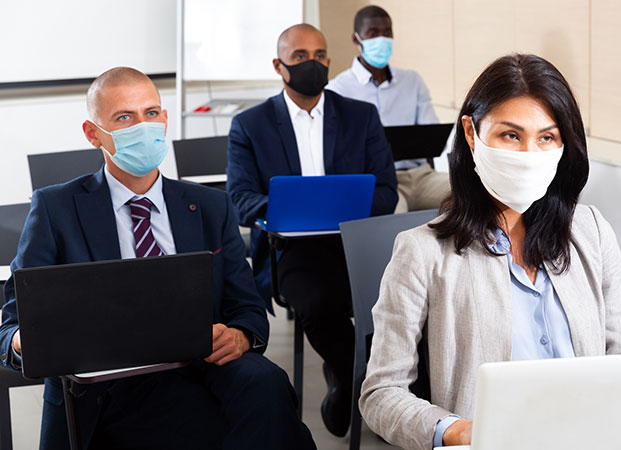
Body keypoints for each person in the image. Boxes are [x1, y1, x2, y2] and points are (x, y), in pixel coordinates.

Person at [0, 67, 315, 450]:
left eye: (151, 113)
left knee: (268, 384)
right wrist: (25, 340)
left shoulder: (212, 206)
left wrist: (241, 335)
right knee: (252, 427)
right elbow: (13, 323)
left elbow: (246, 305)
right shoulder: (55, 208)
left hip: (204, 363)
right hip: (109, 384)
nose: (143, 126)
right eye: (124, 117)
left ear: (165, 120)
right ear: (93, 133)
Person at [359, 54, 621, 450]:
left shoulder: (592, 231)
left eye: (547, 137)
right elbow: (381, 394)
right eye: (511, 135)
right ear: (472, 135)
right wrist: (455, 430)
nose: (529, 154)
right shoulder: (421, 252)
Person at [226, 24, 397, 436]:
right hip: (292, 247)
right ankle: (359, 379)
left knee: (398, 301)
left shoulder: (360, 116)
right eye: (300, 56)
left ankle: (355, 381)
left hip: (355, 240)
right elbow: (238, 199)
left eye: (320, 55)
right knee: (320, 305)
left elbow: (387, 191)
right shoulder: (250, 125)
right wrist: (290, 209)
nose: (312, 64)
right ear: (279, 66)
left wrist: (341, 209)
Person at [327, 5, 449, 213]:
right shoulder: (337, 90)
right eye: (373, 34)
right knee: (393, 218)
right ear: (357, 39)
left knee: (471, 198)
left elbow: (431, 133)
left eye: (387, 32)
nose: (382, 39)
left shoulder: (412, 81)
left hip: (421, 175)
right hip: (380, 182)